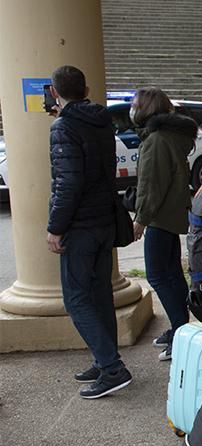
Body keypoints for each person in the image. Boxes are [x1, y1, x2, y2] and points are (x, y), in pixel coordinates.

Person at [45, 65, 133, 399]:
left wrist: (55, 227)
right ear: (86, 89)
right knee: (98, 296)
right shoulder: (101, 122)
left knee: (77, 299)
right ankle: (103, 359)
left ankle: (112, 368)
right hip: (103, 223)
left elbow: (68, 183)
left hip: (80, 226)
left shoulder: (64, 127)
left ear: (55, 92)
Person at [131, 86, 196, 362]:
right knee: (171, 274)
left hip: (160, 217)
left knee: (158, 275)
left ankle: (181, 331)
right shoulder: (170, 136)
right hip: (171, 213)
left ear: (146, 108)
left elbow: (151, 185)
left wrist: (141, 219)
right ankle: (179, 328)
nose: (132, 109)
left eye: (135, 104)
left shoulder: (156, 139)